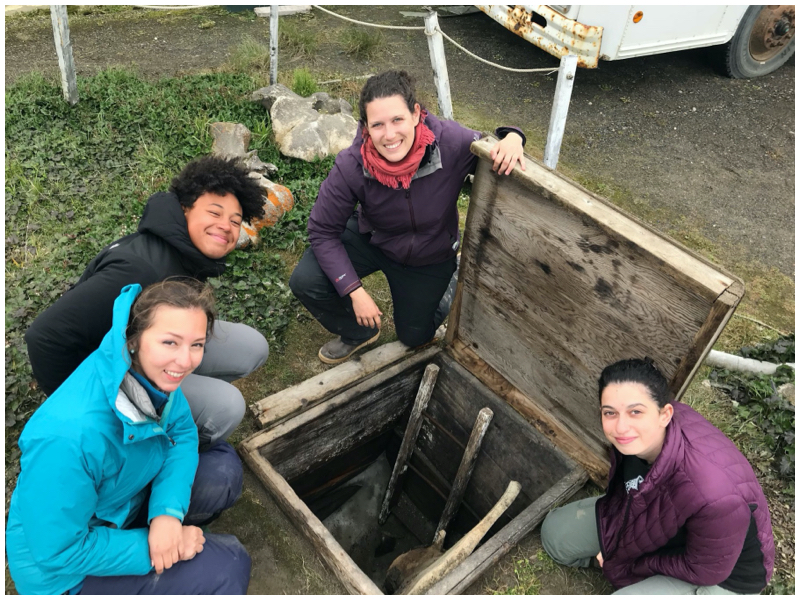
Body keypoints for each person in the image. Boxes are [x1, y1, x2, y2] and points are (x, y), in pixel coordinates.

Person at [7, 280, 250, 595]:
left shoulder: (152, 377)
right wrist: (150, 550)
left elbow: (183, 434)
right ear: (134, 340)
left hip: (120, 502)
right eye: (170, 342)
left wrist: (167, 515)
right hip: (63, 573)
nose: (185, 361)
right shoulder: (66, 436)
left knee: (224, 468)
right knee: (229, 566)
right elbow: (57, 552)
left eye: (197, 344)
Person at [25, 156, 270, 449]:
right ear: (184, 209)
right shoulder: (140, 269)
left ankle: (172, 397)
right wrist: (83, 408)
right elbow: (44, 337)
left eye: (234, 221)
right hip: (113, 369)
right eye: (215, 213)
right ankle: (160, 446)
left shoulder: (180, 249)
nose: (226, 227)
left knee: (252, 347)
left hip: (152, 342)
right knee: (226, 406)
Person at [289, 70, 527, 364]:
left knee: (415, 337)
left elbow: (491, 141)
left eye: (397, 120)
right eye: (377, 124)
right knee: (306, 280)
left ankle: (451, 280)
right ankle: (357, 332)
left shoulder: (449, 142)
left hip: (429, 255)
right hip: (374, 238)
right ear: (365, 126)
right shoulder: (352, 163)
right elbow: (322, 230)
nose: (389, 135)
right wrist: (352, 289)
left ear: (416, 114)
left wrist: (514, 137)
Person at [540, 358, 775, 595]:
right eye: (610, 413)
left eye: (635, 412)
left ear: (665, 414)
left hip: (721, 575)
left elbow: (706, 570)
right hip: (661, 519)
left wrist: (630, 563)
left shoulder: (714, 493)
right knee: (555, 535)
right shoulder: (639, 439)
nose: (621, 427)